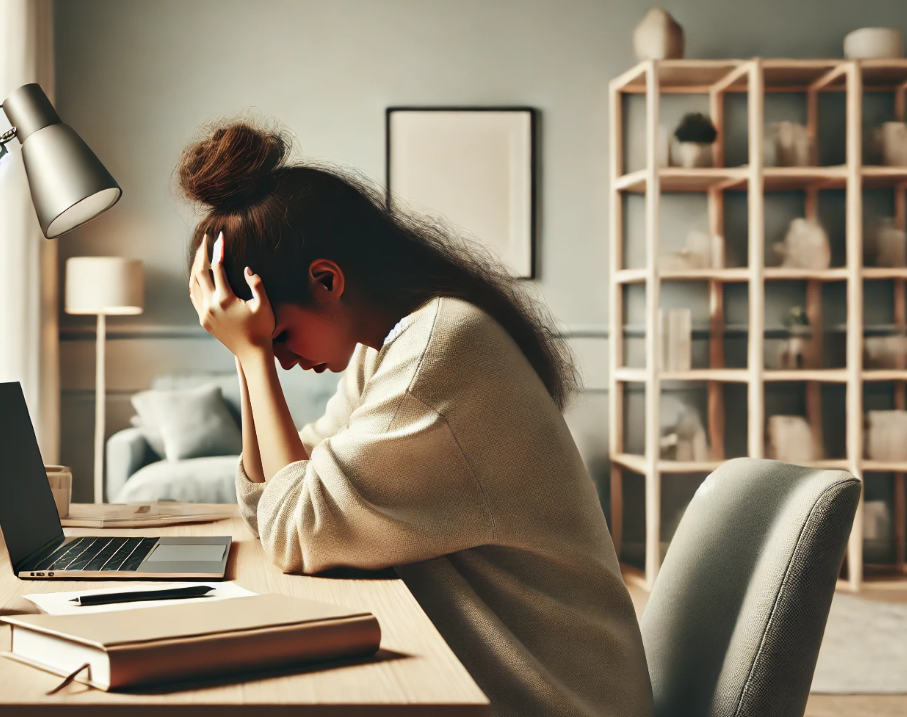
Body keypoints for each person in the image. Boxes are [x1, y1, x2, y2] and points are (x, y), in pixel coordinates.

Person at [181, 120, 652, 717]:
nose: (283, 359)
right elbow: (277, 500)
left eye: (280, 336)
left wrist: (251, 358)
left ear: (326, 281)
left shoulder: (439, 355)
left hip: (555, 696)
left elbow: (298, 527)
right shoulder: (388, 347)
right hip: (499, 676)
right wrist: (248, 353)